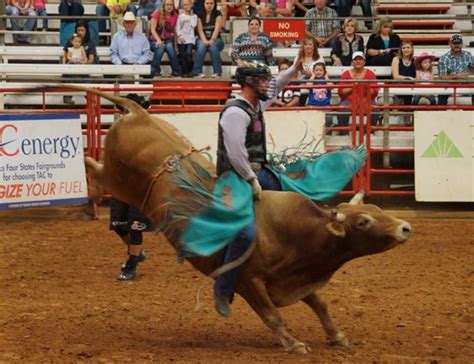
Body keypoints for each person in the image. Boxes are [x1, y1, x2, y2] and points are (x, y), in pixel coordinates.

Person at [214, 56, 302, 317]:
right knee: (245, 234)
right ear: (251, 83)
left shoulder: (256, 103)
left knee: (293, 202)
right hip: (233, 177)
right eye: (263, 80)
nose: (268, 84)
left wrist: (296, 67)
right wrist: (252, 180)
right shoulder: (235, 112)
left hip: (256, 171)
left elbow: (279, 83)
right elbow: (235, 152)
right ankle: (223, 287)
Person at [337, 51, 379, 134]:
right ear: (352, 62)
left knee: (375, 109)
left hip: (367, 100)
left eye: (360, 59)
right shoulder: (346, 74)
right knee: (342, 108)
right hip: (349, 100)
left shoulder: (370, 74)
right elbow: (341, 92)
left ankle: (369, 132)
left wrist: (365, 85)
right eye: (356, 59)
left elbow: (374, 93)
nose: (358, 61)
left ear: (364, 62)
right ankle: (343, 132)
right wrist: (353, 85)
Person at [62, 20, 98, 105]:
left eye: (82, 30)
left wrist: (83, 63)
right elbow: (65, 55)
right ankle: (67, 97)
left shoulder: (90, 43)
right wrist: (66, 65)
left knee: (85, 78)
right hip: (72, 66)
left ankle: (90, 99)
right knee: (69, 74)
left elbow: (91, 59)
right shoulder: (70, 41)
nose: (80, 32)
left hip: (84, 66)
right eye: (78, 30)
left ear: (86, 31)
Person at [437, 34, 474, 106]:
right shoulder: (444, 58)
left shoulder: (467, 55)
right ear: (450, 44)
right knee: (442, 95)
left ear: (462, 44)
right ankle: (441, 113)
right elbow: (442, 76)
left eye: (458, 43)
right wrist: (457, 76)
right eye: (454, 43)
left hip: (465, 84)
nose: (457, 45)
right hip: (450, 85)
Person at [149, 0, 181, 77]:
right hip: (154, 39)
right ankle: (155, 71)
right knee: (160, 48)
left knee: (170, 47)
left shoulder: (176, 16)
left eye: (171, 5)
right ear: (163, 6)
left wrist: (176, 46)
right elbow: (152, 29)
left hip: (167, 39)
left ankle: (176, 71)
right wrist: (158, 40)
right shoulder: (157, 13)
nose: (169, 6)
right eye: (167, 5)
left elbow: (175, 32)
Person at [192, 0, 224, 78]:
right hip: (201, 39)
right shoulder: (199, 15)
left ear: (214, 4)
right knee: (202, 46)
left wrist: (212, 40)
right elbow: (200, 30)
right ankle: (197, 72)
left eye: (211, 3)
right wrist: (205, 40)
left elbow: (217, 29)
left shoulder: (218, 14)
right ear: (204, 4)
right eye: (207, 3)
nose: (209, 5)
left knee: (213, 46)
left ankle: (217, 72)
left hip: (216, 39)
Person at [391, 40, 415, 106]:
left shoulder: (414, 61)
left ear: (412, 49)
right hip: (398, 85)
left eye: (408, 47)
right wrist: (408, 78)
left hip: (411, 87)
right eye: (403, 48)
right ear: (401, 50)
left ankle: (408, 113)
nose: (406, 50)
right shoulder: (396, 59)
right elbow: (396, 76)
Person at [176, 0, 197, 77]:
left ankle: (190, 69)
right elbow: (178, 27)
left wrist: (190, 17)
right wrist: (180, 36)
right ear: (183, 6)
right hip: (182, 39)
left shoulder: (194, 16)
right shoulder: (180, 16)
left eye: (188, 5)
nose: (187, 6)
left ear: (191, 5)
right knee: (183, 55)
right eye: (185, 5)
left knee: (188, 54)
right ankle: (184, 72)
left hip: (190, 39)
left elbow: (194, 25)